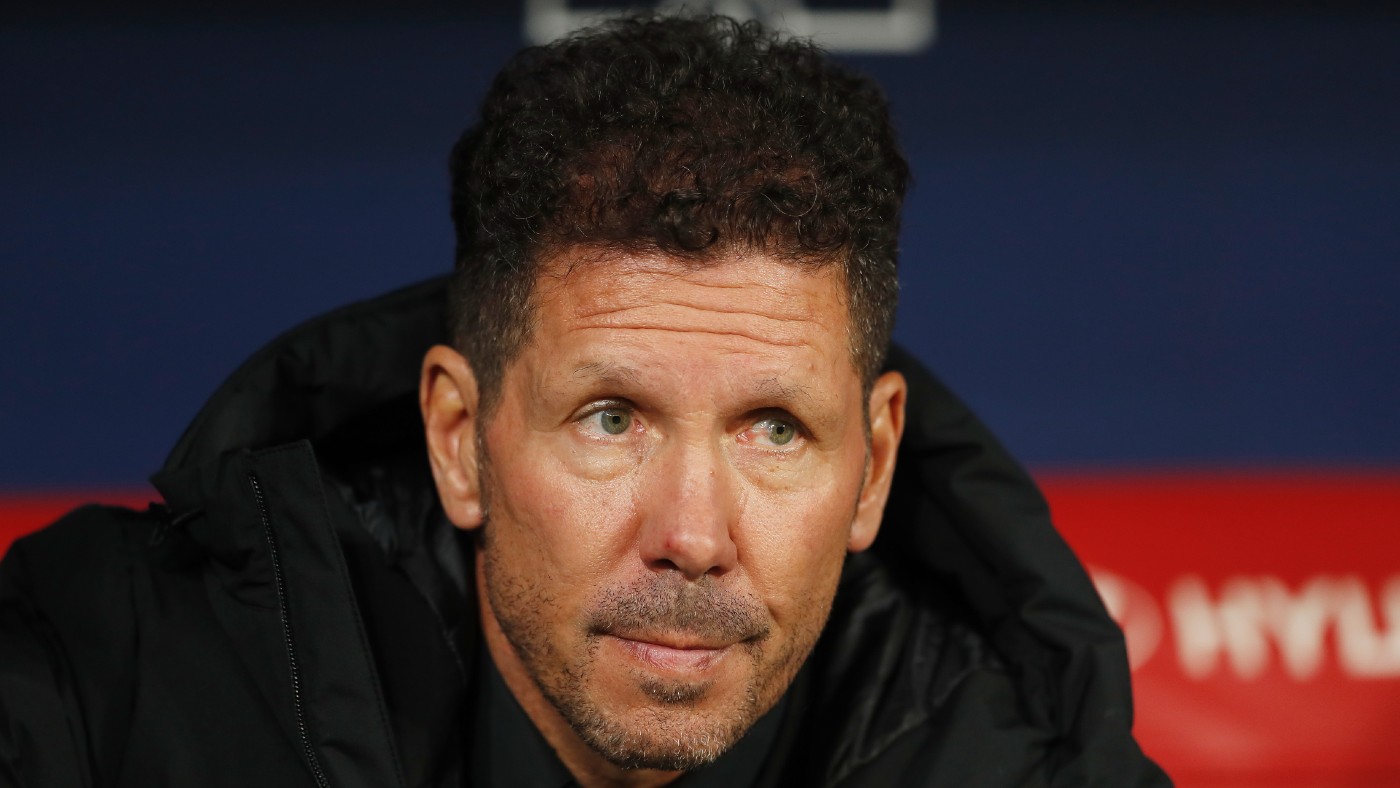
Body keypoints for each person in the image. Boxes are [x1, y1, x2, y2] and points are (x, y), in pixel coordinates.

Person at [0, 13, 1168, 787]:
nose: (692, 536)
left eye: (772, 429)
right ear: (459, 437)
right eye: (612, 417)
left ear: (871, 464)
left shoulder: (1025, 766)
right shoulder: (101, 686)